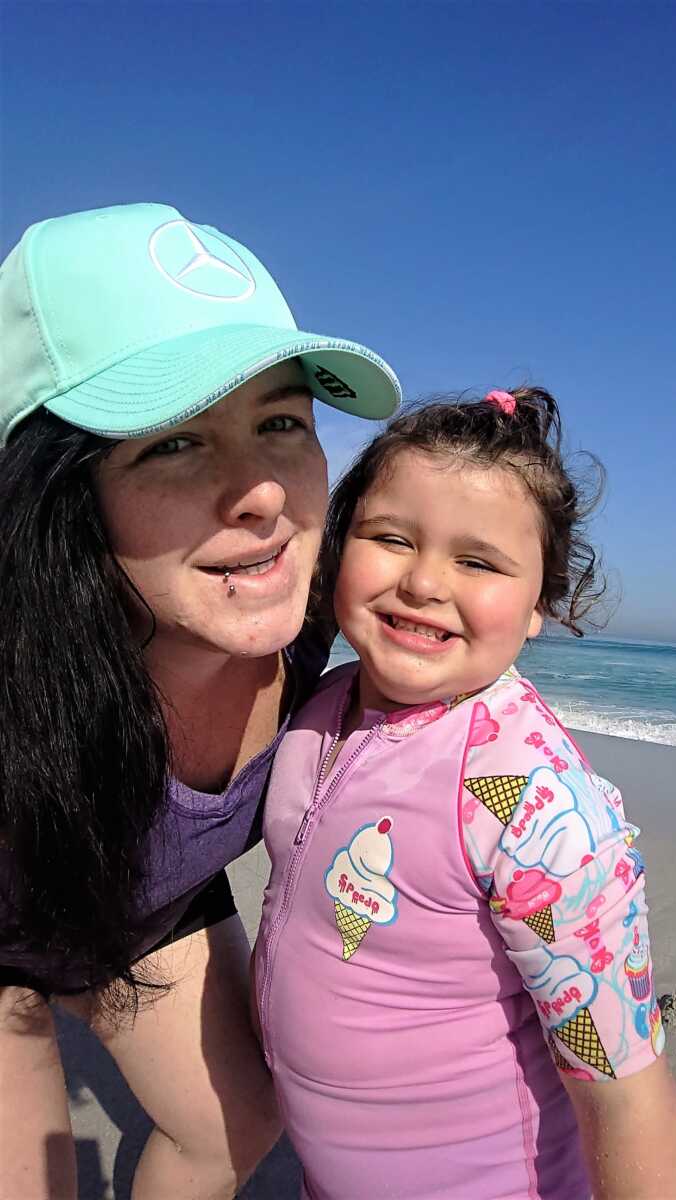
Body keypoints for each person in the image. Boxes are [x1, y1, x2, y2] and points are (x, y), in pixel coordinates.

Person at [0, 201, 400, 1200]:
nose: (261, 493)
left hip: (145, 909)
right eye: (173, 444)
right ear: (61, 497)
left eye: (280, 424)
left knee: (239, 1124)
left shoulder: (311, 630)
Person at [255, 388, 676, 1199]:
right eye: (390, 538)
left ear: (541, 603)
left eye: (478, 561)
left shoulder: (536, 810)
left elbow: (627, 1094)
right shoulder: (320, 702)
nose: (423, 581)